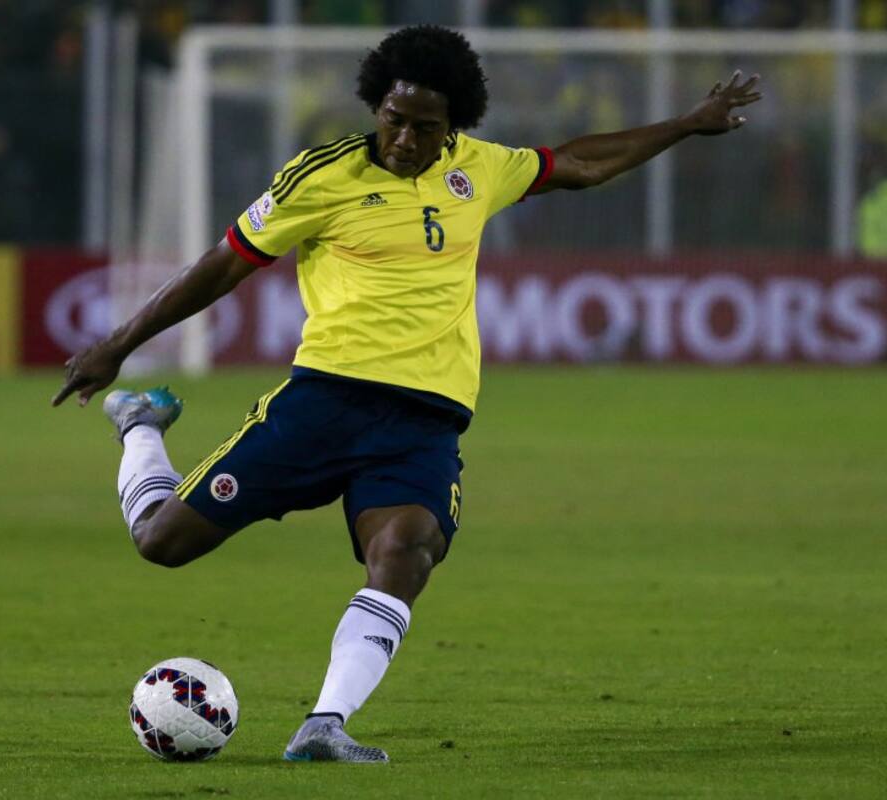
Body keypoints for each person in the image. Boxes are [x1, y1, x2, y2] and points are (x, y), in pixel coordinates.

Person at [52, 25, 761, 763]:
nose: (406, 140)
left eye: (427, 127)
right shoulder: (321, 177)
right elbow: (223, 265)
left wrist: (684, 124)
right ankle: (140, 426)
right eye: (394, 120)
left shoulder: (479, 169)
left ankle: (325, 724)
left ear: (454, 126)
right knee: (163, 544)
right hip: (325, 403)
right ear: (376, 107)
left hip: (424, 420)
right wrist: (120, 344)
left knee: (406, 552)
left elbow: (579, 162)